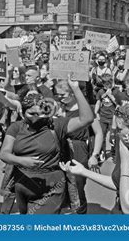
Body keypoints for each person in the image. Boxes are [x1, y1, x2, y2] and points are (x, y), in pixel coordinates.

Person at [0, 75, 94, 214]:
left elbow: (86, 119)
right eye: (31, 113)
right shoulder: (16, 128)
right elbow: (4, 153)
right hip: (23, 184)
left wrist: (75, 89)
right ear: (22, 112)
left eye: (40, 113)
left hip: (52, 186)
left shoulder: (57, 125)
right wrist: (20, 160)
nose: (36, 117)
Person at [60, 98, 129, 214]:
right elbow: (118, 183)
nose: (117, 133)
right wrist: (83, 171)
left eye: (120, 129)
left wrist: (125, 163)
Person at [55, 79, 103, 214]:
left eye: (62, 95)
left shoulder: (85, 110)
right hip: (61, 149)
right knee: (61, 184)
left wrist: (95, 155)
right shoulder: (58, 108)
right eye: (57, 94)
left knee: (77, 184)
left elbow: (99, 133)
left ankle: (80, 213)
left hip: (78, 150)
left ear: (72, 94)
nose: (59, 97)